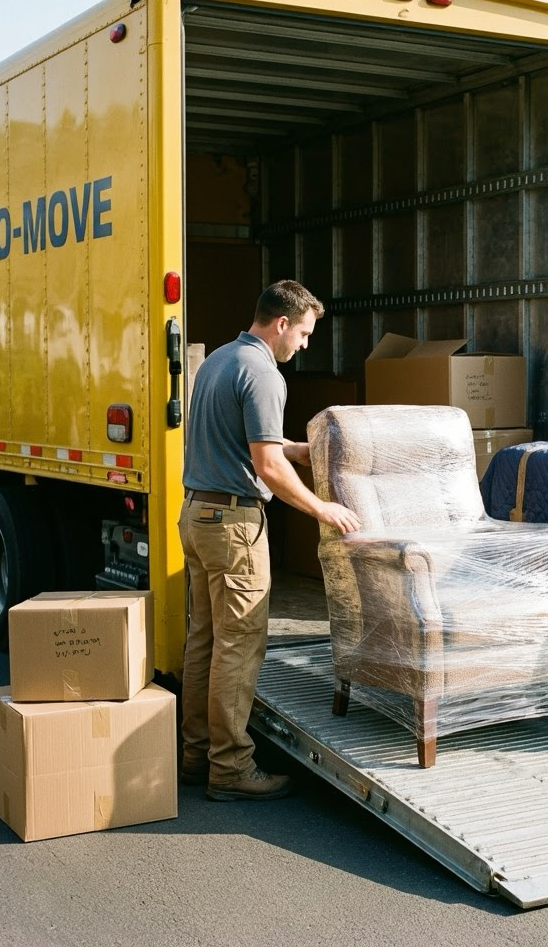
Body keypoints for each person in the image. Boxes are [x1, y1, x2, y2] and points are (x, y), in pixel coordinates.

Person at [178, 279, 361, 801]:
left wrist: (294, 447)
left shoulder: (220, 359)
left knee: (205, 641)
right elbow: (266, 466)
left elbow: (246, 436)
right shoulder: (264, 373)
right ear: (281, 324)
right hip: (234, 525)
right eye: (303, 333)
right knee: (239, 646)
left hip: (197, 515)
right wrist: (321, 508)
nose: (303, 345)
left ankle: (196, 756)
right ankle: (231, 768)